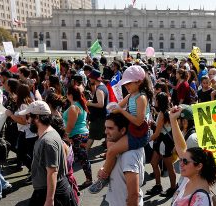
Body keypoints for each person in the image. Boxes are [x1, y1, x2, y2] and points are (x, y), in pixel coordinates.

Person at [148, 105, 216, 206]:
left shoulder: (200, 199)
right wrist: (173, 120)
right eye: (182, 159)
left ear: (199, 166)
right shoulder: (189, 179)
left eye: (185, 161)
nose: (181, 163)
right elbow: (182, 149)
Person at [88, 65, 151, 194]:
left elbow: (139, 121)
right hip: (131, 129)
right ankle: (109, 168)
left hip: (138, 134)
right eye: (125, 83)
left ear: (139, 82)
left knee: (111, 151)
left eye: (128, 83)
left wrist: (121, 111)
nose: (126, 86)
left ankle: (102, 178)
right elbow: (117, 106)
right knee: (110, 141)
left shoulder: (141, 98)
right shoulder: (131, 95)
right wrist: (112, 107)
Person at [5, 83, 37, 183]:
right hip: (27, 132)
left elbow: (23, 121)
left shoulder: (23, 104)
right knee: (25, 153)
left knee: (23, 154)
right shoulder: (27, 101)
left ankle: (35, 172)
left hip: (27, 132)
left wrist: (11, 115)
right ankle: (35, 171)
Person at [146, 92, 176, 197]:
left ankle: (173, 188)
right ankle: (158, 186)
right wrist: (154, 123)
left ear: (159, 101)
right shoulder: (164, 111)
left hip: (164, 142)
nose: (154, 101)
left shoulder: (163, 113)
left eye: (156, 99)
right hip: (160, 142)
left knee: (169, 167)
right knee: (154, 162)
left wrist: (145, 141)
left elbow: (157, 133)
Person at [63, 85, 93, 188]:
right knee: (83, 159)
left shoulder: (74, 107)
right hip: (82, 134)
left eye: (67, 93)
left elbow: (71, 125)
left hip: (77, 135)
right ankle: (89, 179)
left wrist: (65, 136)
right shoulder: (80, 104)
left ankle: (88, 180)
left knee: (78, 159)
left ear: (70, 95)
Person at [85, 69, 108, 152]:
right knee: (106, 135)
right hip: (103, 116)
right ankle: (108, 151)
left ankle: (85, 153)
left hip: (99, 118)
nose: (89, 79)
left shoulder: (99, 90)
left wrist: (90, 103)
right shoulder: (103, 86)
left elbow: (101, 104)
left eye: (90, 78)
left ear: (93, 79)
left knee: (92, 136)